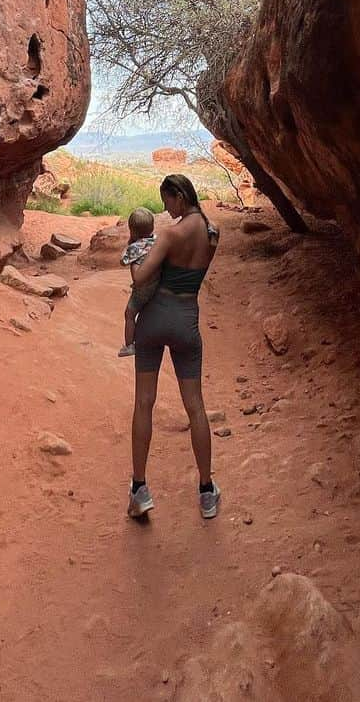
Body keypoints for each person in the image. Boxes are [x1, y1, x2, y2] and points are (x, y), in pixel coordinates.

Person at [126, 174, 221, 521]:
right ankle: (207, 492)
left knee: (144, 403)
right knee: (196, 408)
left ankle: (140, 490)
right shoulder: (212, 233)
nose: (166, 209)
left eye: (167, 201)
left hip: (154, 320)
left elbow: (140, 278)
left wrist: (134, 252)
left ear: (179, 196)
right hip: (186, 320)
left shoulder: (170, 234)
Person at [118, 207, 158, 358]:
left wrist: (129, 246)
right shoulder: (157, 241)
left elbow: (123, 262)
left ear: (132, 230)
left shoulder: (134, 247)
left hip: (142, 289)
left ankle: (129, 345)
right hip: (158, 285)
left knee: (129, 314)